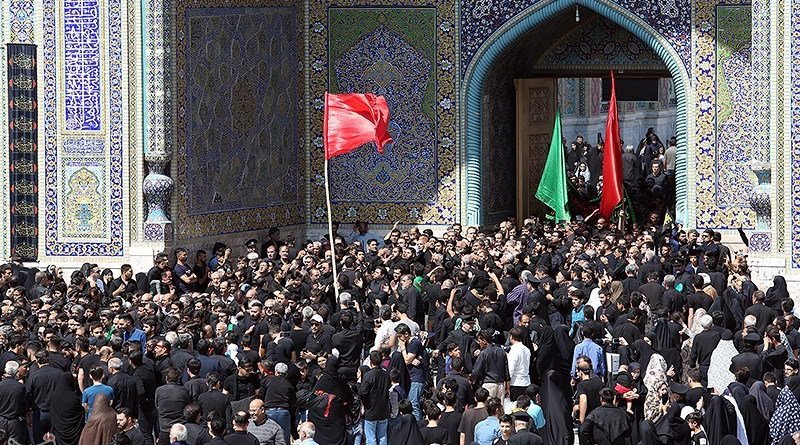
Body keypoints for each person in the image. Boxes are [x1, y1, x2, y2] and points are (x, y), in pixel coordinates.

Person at [360, 350, 390, 445]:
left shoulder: (368, 375)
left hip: (371, 410)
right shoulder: (386, 375)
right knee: (382, 436)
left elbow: (362, 392)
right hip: (384, 410)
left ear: (370, 361)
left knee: (370, 437)